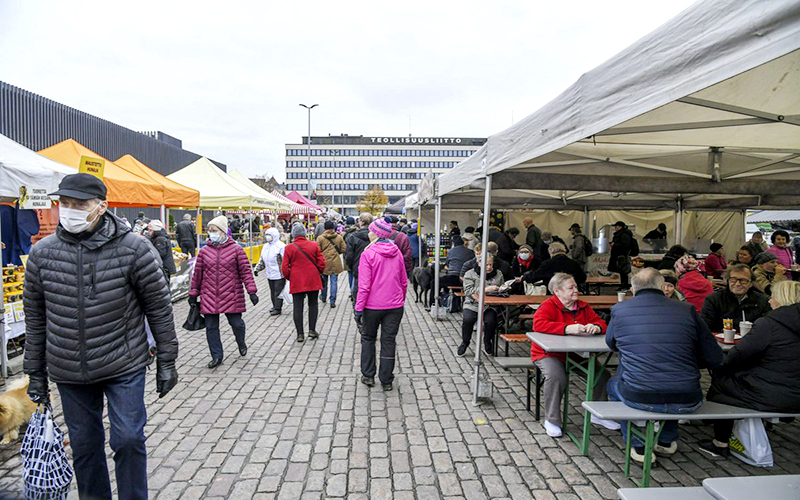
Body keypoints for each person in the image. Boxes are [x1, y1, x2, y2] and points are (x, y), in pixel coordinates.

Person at [24, 173, 178, 499]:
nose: (70, 210)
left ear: (101, 207)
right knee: (84, 447)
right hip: (69, 368)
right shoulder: (43, 254)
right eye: (64, 203)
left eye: (79, 204)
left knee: (128, 439)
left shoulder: (135, 248)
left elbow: (159, 307)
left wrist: (167, 358)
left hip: (123, 361)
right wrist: (35, 372)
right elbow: (35, 317)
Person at [606, 268, 723, 464]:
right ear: (663, 287)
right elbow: (714, 356)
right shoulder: (687, 310)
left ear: (633, 289)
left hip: (639, 395)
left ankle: (639, 445)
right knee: (673, 380)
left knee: (614, 383)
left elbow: (612, 344)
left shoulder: (619, 310)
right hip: (688, 397)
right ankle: (667, 440)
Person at [700, 281, 800, 458]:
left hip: (773, 395)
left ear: (783, 299)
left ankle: (720, 442)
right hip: (794, 392)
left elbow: (737, 356)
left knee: (722, 382)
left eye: (773, 296)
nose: (770, 301)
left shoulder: (769, 324)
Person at [532, 273, 615, 438]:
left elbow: (601, 323)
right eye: (571, 288)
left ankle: (598, 414)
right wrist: (566, 328)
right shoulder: (548, 306)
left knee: (602, 375)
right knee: (557, 377)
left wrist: (596, 327)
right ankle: (552, 420)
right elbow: (538, 324)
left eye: (576, 287)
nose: (576, 290)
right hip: (549, 353)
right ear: (557, 291)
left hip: (576, 353)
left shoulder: (583, 306)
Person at [190, 215, 258, 368]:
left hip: (231, 293)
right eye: (209, 230)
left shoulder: (237, 250)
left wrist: (251, 291)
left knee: (237, 324)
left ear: (222, 231)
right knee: (211, 327)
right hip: (209, 294)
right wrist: (193, 293)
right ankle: (216, 355)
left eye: (214, 230)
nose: (211, 233)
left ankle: (241, 341)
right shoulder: (204, 251)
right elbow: (197, 274)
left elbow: (246, 271)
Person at [355, 218, 408, 391]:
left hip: (372, 306)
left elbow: (364, 286)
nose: (369, 233)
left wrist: (358, 308)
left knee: (368, 338)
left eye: (371, 231)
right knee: (388, 341)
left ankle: (368, 375)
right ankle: (386, 379)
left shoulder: (368, 254)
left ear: (376, 234)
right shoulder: (396, 252)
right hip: (394, 305)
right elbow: (403, 281)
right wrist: (401, 298)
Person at [282, 223, 326, 342]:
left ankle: (300, 334)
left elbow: (284, 268)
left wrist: (290, 277)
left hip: (297, 280)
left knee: (298, 307)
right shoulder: (314, 245)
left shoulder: (289, 248)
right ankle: (312, 330)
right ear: (305, 234)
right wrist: (318, 271)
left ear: (293, 234)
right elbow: (322, 262)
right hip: (313, 278)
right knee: (313, 305)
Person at [701, 263, 770, 332]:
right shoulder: (713, 299)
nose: (737, 284)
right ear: (728, 281)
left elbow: (767, 328)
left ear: (751, 284)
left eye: (743, 280)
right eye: (733, 279)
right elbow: (705, 328)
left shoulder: (763, 301)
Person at [458, 254, 504, 357]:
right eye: (486, 265)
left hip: (490, 305)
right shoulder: (470, 274)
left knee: (491, 321)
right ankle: (465, 342)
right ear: (479, 263)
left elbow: (501, 287)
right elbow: (468, 291)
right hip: (472, 303)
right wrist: (485, 290)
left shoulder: (498, 273)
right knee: (468, 320)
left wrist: (503, 288)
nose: (489, 267)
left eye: (491, 265)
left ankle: (487, 341)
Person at [256, 227, 287, 316]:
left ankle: (278, 308)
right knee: (272, 291)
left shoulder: (281, 246)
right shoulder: (266, 246)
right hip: (269, 273)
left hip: (279, 274)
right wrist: (257, 269)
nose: (268, 237)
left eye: (269, 235)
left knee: (278, 291)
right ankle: (274, 306)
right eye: (267, 235)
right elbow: (262, 259)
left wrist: (286, 273)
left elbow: (285, 260)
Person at [345, 213, 373, 305]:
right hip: (373, 267)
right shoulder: (375, 236)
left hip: (358, 268)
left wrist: (351, 266)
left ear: (361, 222)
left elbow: (349, 256)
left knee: (358, 293)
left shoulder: (352, 237)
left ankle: (359, 312)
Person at [318, 220, 346, 308]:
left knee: (324, 281)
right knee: (334, 282)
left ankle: (323, 297)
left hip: (324, 261)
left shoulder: (320, 238)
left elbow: (317, 250)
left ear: (325, 228)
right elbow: (343, 249)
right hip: (335, 262)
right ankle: (332, 300)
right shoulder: (338, 237)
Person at [608, 221, 634, 289]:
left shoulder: (624, 234)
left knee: (623, 271)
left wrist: (615, 245)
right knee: (622, 272)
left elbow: (625, 245)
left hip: (622, 255)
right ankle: (623, 285)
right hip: (620, 255)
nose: (615, 228)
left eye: (616, 226)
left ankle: (624, 286)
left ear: (620, 227)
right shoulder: (622, 234)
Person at [342, 216, 359, 294]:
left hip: (347, 255)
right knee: (356, 273)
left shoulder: (343, 233)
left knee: (350, 273)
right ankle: (353, 290)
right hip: (357, 255)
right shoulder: (357, 232)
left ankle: (351, 290)